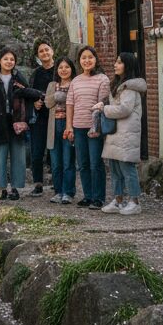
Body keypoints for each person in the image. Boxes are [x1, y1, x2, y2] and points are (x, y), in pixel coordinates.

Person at [0, 47, 42, 200]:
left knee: (18, 156)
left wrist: (28, 113)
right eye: (6, 59)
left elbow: (28, 94)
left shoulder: (19, 78)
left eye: (12, 59)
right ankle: (2, 188)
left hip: (17, 122)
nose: (9, 62)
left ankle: (15, 188)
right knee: (1, 157)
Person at [97, 52, 148, 215]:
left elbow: (124, 110)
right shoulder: (120, 85)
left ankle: (134, 201)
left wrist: (104, 109)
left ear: (128, 66)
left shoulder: (130, 88)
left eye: (119, 63)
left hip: (126, 134)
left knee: (127, 168)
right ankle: (118, 200)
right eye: (116, 62)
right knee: (115, 169)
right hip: (116, 133)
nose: (115, 65)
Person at [64, 45, 110, 208]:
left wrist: (96, 127)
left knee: (96, 163)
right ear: (79, 61)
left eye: (90, 57)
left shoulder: (102, 79)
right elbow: (70, 103)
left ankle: (99, 198)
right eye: (84, 58)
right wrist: (69, 126)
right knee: (82, 163)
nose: (87, 60)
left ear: (95, 60)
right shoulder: (75, 81)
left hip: (94, 128)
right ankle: (88, 195)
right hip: (78, 127)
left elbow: (103, 103)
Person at [46, 57, 76, 204]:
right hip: (53, 125)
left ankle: (68, 192)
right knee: (56, 162)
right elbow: (47, 102)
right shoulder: (52, 84)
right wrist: (57, 96)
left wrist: (62, 97)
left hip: (68, 124)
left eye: (67, 67)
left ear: (72, 69)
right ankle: (58, 191)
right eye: (60, 67)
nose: (63, 70)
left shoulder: (75, 84)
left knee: (67, 160)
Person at [28, 39, 55, 196]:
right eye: (41, 51)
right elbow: (29, 93)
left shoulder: (60, 70)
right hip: (39, 117)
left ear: (52, 51)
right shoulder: (35, 74)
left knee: (55, 150)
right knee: (37, 151)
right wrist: (34, 103)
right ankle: (38, 183)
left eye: (46, 49)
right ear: (38, 56)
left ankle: (56, 181)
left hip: (56, 115)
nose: (44, 53)